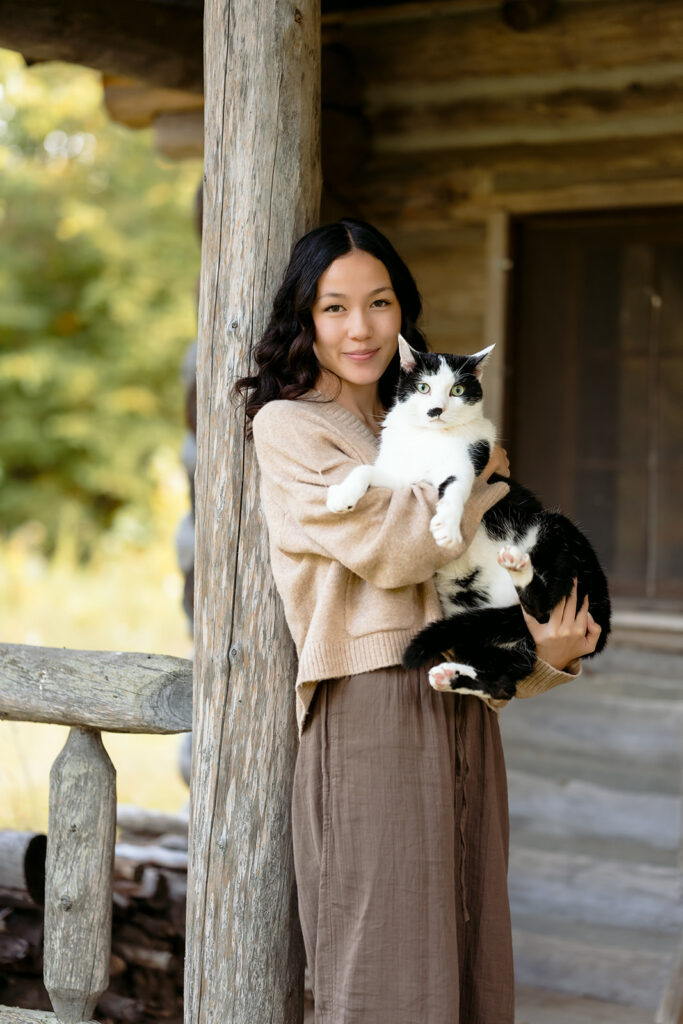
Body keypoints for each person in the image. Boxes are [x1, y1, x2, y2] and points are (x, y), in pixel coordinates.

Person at [237, 218, 601, 1024]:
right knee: (384, 973)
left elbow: (480, 577)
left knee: (471, 959)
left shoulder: (426, 423)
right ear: (305, 319)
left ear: (403, 311)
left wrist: (543, 657)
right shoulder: (291, 427)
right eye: (334, 308)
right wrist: (479, 480)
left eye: (379, 303)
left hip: (463, 709)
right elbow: (396, 550)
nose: (360, 328)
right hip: (370, 709)